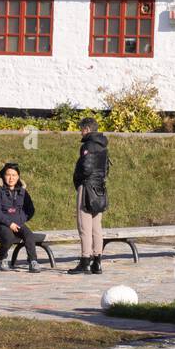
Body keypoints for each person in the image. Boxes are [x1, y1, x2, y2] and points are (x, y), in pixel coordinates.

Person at [70, 117, 109, 275]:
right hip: (100, 188)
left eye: (81, 129)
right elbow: (106, 169)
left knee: (84, 226)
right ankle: (97, 262)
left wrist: (78, 180)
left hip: (87, 188)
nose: (80, 132)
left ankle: (85, 261)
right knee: (96, 227)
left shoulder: (88, 145)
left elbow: (85, 168)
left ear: (86, 129)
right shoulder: (103, 146)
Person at [0, 162, 41, 273]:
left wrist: (20, 220)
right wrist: (9, 224)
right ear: (3, 176)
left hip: (17, 223)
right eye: (8, 175)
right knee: (8, 236)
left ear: (18, 177)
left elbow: (30, 210)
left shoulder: (22, 191)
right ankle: (2, 258)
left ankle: (33, 261)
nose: (11, 178)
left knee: (29, 235)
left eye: (14, 175)